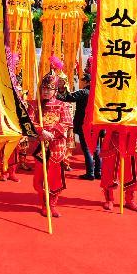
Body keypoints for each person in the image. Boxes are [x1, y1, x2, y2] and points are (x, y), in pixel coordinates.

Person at [31, 69, 73, 218]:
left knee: (54, 178)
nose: (46, 91)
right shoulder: (35, 105)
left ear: (55, 90)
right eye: (44, 88)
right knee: (39, 180)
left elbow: (67, 122)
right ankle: (43, 202)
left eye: (49, 89)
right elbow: (30, 122)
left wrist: (52, 133)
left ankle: (51, 205)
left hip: (56, 146)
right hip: (40, 146)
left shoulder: (63, 105)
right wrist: (41, 131)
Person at [99, 95, 137, 213]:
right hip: (112, 139)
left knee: (131, 171)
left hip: (129, 140)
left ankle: (130, 200)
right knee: (109, 170)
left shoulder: (136, 102)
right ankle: (109, 199)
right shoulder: (108, 99)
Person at [57, 71, 102, 180]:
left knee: (87, 149)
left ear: (87, 82)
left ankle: (90, 173)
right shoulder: (99, 94)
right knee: (97, 149)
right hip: (96, 124)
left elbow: (67, 98)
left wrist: (61, 90)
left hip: (85, 124)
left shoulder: (83, 92)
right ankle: (99, 172)